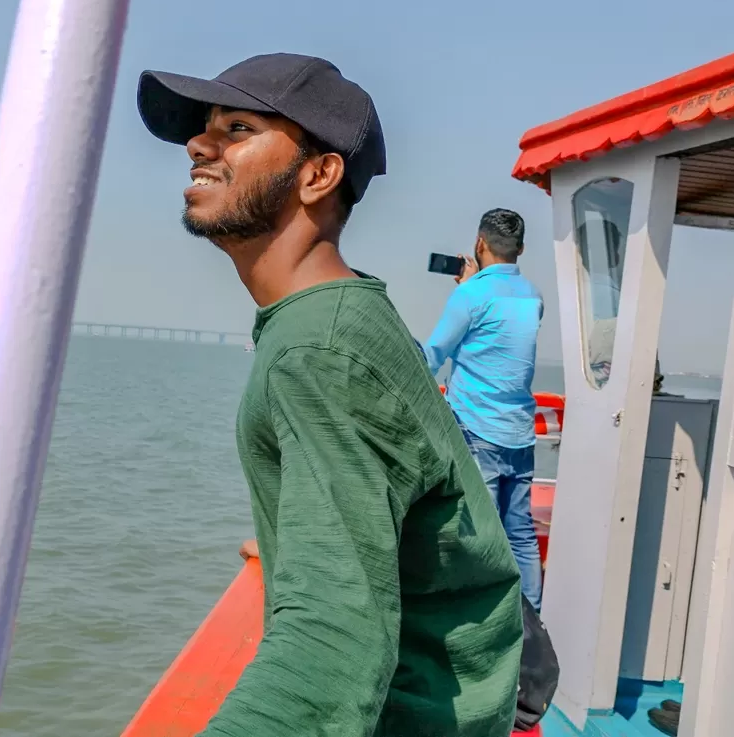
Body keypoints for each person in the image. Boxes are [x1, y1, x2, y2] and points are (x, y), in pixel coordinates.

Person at [137, 53, 522, 735]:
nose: (200, 143)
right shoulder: (343, 317)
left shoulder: (318, 348)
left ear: (318, 174)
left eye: (237, 127)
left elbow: (330, 645)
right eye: (206, 128)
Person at [421, 209, 545, 612]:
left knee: (480, 530)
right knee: (520, 533)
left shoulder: (471, 296)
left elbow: (432, 355)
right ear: (521, 249)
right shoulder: (532, 296)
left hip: (477, 431)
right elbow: (499, 339)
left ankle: (483, 619)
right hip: (520, 433)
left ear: (479, 244)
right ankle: (532, 622)